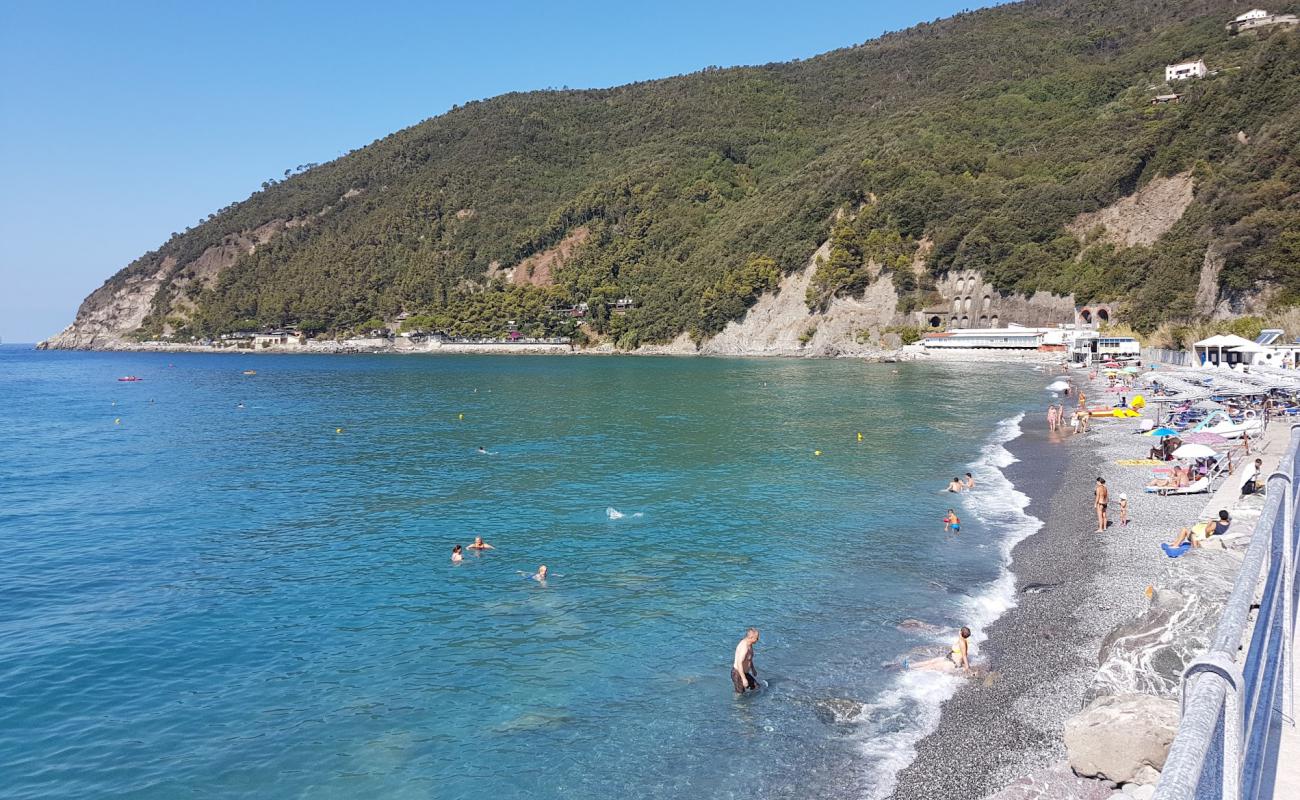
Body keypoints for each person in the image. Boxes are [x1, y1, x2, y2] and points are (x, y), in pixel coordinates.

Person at [1163, 510, 1231, 556]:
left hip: (1204, 538)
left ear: (1220, 516)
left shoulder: (1215, 524)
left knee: (1186, 531)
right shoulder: (1228, 523)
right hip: (1209, 537)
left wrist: (1209, 523)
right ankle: (1175, 544)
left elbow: (1207, 531)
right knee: (1189, 532)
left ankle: (1176, 545)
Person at [909, 627, 973, 674]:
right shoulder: (961, 640)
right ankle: (910, 666)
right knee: (930, 661)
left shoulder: (962, 642)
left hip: (953, 663)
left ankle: (911, 672)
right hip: (949, 658)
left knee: (931, 666)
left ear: (961, 632)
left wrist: (967, 667)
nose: (959, 631)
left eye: (960, 630)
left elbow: (964, 655)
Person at [732, 627, 760, 694]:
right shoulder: (744, 647)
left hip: (745, 673)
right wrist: (744, 679)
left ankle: (753, 703)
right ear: (751, 637)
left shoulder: (749, 644)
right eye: (757, 638)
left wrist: (753, 669)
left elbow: (749, 658)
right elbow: (739, 663)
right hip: (737, 673)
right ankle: (737, 703)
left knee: (757, 687)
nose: (758, 640)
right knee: (741, 694)